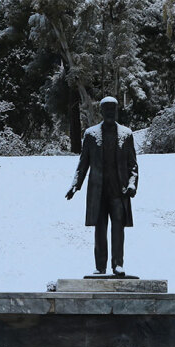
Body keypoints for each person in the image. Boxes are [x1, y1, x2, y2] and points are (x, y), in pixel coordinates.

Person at [65, 96, 138, 276]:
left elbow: (133, 165)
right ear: (102, 112)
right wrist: (75, 185)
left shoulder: (126, 134)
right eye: (107, 111)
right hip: (98, 191)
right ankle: (100, 267)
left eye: (113, 111)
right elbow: (83, 163)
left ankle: (117, 265)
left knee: (118, 229)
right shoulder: (91, 135)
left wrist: (132, 185)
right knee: (99, 230)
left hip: (118, 192)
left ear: (116, 112)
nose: (110, 114)